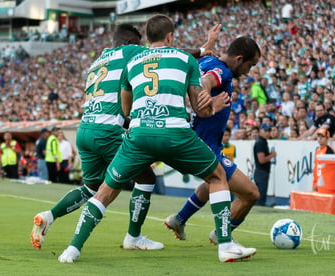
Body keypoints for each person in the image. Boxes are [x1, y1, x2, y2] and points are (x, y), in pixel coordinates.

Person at [58, 14, 244, 263]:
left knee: (104, 191)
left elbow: (125, 110)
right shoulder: (185, 59)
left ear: (147, 39)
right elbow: (201, 110)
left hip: (139, 136)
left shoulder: (133, 62)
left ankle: (72, 249)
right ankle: (225, 246)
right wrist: (215, 106)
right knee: (217, 176)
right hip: (176, 134)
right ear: (170, 37)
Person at [30, 22, 219, 251]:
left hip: (86, 129)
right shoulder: (130, 51)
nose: (144, 48)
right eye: (140, 44)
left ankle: (49, 215)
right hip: (108, 131)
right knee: (146, 178)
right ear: (130, 43)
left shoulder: (96, 62)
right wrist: (203, 48)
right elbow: (165, 54)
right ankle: (134, 237)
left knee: (90, 186)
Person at [163, 36, 260, 256]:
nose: (248, 71)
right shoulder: (223, 70)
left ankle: (179, 219)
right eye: (249, 65)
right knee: (251, 194)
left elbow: (194, 67)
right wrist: (207, 103)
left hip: (195, 140)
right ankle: (222, 235)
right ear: (239, 58)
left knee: (214, 181)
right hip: (205, 146)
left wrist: (207, 44)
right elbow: (207, 81)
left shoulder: (205, 60)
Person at [253, 123, 276, 206]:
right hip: (261, 172)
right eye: (265, 131)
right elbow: (261, 160)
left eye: (269, 131)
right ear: (260, 131)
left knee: (261, 195)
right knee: (261, 197)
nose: (267, 133)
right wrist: (272, 155)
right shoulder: (260, 143)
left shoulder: (263, 142)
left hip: (261, 172)